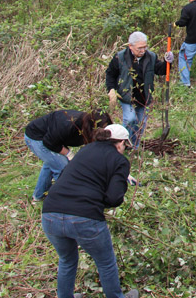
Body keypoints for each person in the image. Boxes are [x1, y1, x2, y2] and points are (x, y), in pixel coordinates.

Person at [41, 124, 139, 298]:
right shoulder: (119, 161)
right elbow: (115, 198)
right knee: (106, 262)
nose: (125, 149)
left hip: (50, 213)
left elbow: (65, 175)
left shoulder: (85, 150)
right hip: (84, 218)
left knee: (67, 260)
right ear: (120, 143)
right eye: (125, 146)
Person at [25, 109, 113, 202]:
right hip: (37, 137)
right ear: (93, 125)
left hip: (53, 138)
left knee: (52, 163)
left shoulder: (86, 128)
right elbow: (49, 143)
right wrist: (69, 154)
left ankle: (39, 195)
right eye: (102, 127)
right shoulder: (70, 125)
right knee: (63, 169)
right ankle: (65, 200)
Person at [106, 31, 174, 148]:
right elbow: (110, 74)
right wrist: (111, 89)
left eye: (144, 47)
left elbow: (161, 70)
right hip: (126, 96)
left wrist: (168, 62)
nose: (142, 51)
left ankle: (134, 146)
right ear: (130, 46)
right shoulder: (120, 57)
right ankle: (122, 144)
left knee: (140, 124)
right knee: (130, 119)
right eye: (139, 48)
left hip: (144, 96)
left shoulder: (151, 57)